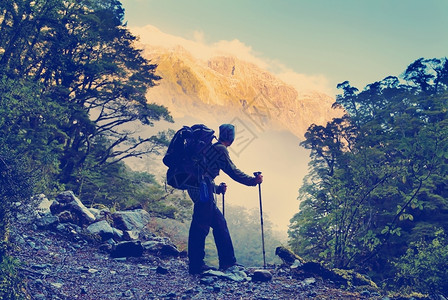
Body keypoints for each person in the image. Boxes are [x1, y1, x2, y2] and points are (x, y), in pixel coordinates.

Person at [187, 123, 263, 274]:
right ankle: (196, 265)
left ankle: (227, 262)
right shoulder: (220, 149)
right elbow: (232, 171)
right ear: (231, 137)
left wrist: (217, 189)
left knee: (219, 223)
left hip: (199, 187)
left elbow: (203, 173)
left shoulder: (210, 148)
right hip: (202, 188)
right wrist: (253, 181)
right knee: (200, 226)